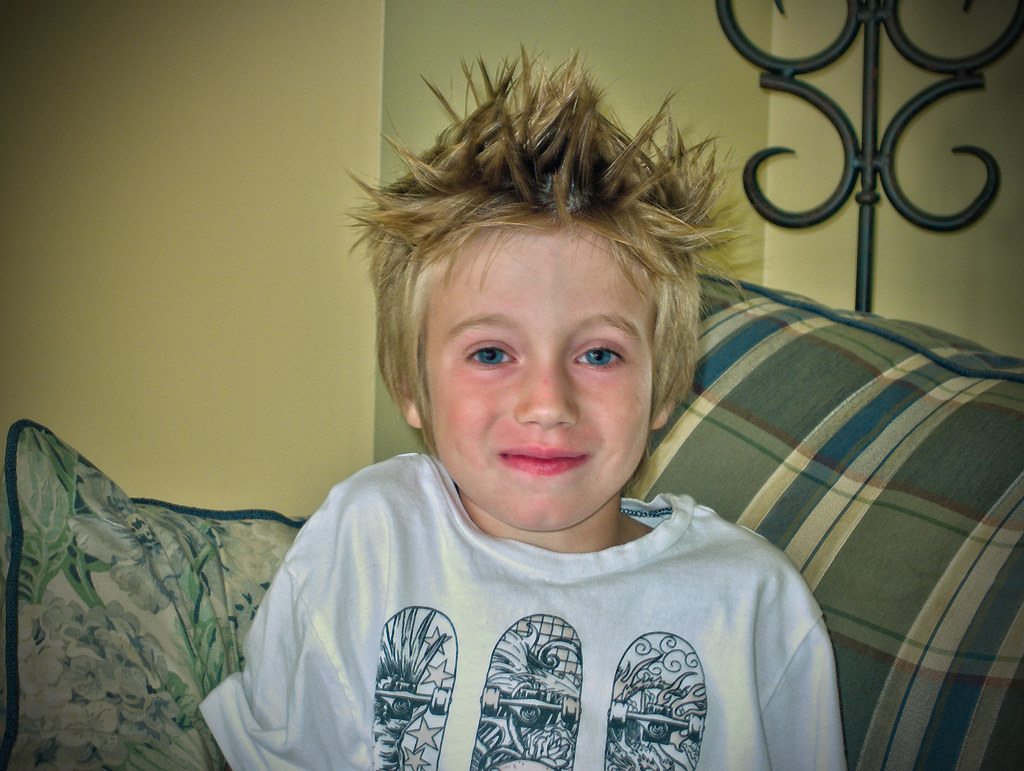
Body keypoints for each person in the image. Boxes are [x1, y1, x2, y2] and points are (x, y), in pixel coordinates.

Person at [200, 54, 846, 770]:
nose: (547, 405)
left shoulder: (752, 606)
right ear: (408, 382)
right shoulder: (369, 539)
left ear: (665, 387)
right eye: (490, 353)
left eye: (598, 355)